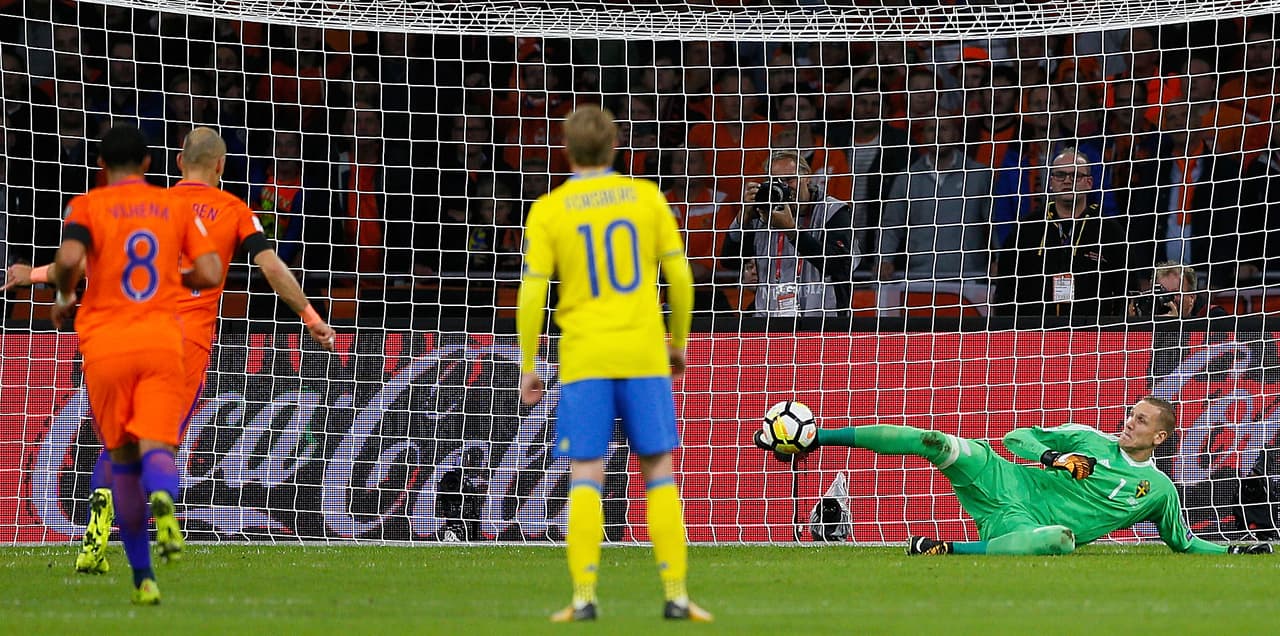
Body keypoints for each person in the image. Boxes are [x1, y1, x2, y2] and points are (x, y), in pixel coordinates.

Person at [4, 127, 337, 575]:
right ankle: (154, 513)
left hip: (132, 333)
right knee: (156, 445)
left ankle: (96, 533)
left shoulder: (153, 206)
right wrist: (311, 317)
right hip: (184, 347)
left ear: (178, 162)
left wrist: (34, 275)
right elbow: (272, 266)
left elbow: (90, 261)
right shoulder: (235, 209)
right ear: (220, 166)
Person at [516, 105, 710, 622]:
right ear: (617, 145)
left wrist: (529, 362)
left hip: (585, 358)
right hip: (644, 353)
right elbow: (682, 279)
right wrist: (679, 343)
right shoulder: (646, 198)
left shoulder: (551, 210)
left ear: (566, 149)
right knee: (660, 474)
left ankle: (583, 599)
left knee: (586, 475)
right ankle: (676, 595)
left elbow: (532, 292)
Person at [47, 125, 223, 604]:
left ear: (101, 164)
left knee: (121, 460)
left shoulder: (87, 206)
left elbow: (68, 259)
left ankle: (143, 578)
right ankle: (164, 496)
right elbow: (210, 273)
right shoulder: (172, 206)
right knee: (159, 446)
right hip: (163, 341)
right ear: (148, 163)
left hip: (106, 345)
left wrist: (64, 294)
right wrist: (174, 274)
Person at [756, 396, 1274, 556]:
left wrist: (1230, 549)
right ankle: (815, 438)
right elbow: (1018, 437)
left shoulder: (1158, 490)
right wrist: (1051, 457)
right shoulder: (1089, 438)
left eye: (1140, 420)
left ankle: (942, 549)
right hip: (1005, 478)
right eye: (1130, 414)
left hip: (1017, 521)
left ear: (1160, 437)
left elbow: (1181, 542)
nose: (1128, 422)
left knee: (1062, 542)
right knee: (936, 442)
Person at [992, 148, 1129, 321]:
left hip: (1092, 338)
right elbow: (1005, 292)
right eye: (1060, 175)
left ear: (1089, 182)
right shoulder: (1026, 230)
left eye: (1076, 176)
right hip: (1034, 338)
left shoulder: (1109, 232)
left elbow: (1126, 291)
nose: (1067, 180)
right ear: (1051, 182)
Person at [724, 150, 858, 316]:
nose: (784, 186)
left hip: (822, 322)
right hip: (769, 322)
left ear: (807, 176)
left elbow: (838, 265)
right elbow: (729, 260)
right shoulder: (762, 214)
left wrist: (792, 231)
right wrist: (742, 218)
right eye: (776, 181)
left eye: (789, 179)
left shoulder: (834, 211)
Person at [1129, 262, 1228, 319]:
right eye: (1162, 292)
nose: (1167, 300)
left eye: (1175, 293)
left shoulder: (1213, 316)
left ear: (1192, 298)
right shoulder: (1145, 315)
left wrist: (1174, 326)